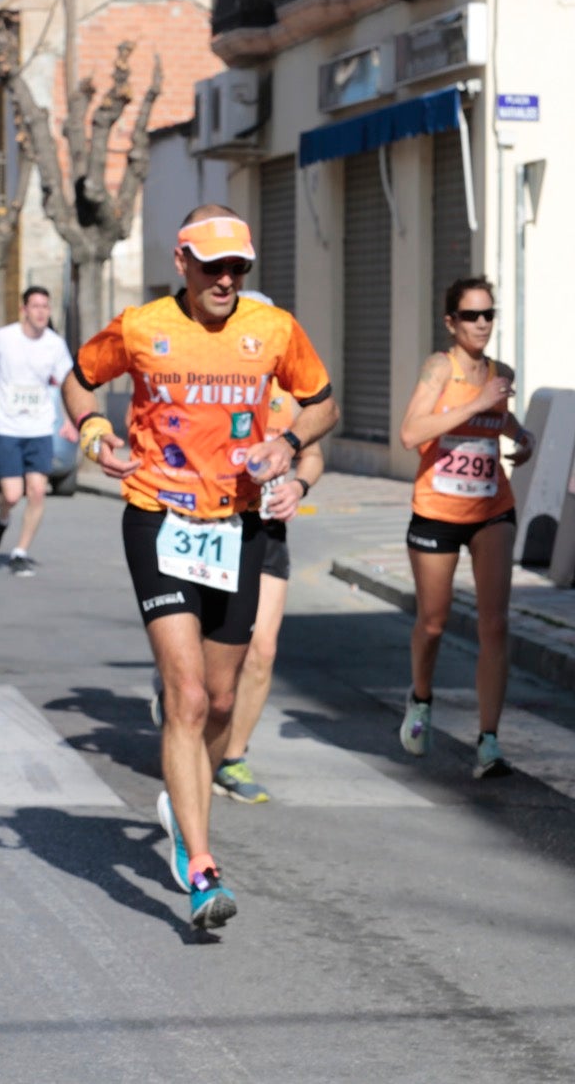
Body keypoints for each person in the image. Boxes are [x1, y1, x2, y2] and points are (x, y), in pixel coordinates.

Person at [63, 206, 337, 930]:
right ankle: (202, 862)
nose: (225, 278)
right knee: (184, 696)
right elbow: (79, 379)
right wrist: (94, 432)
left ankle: (189, 803)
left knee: (220, 701)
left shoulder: (274, 330)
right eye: (212, 265)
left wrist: (289, 442)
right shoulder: (142, 325)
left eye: (237, 267)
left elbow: (322, 403)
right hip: (157, 517)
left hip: (236, 526)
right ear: (181, 261)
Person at [396, 277, 536, 779]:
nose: (482, 325)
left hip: (491, 507)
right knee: (433, 623)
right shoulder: (441, 367)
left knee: (494, 623)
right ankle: (421, 698)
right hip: (437, 510)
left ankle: (489, 740)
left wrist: (520, 436)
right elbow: (412, 432)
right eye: (471, 316)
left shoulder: (501, 373)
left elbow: (498, 423)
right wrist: (477, 403)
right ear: (451, 322)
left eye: (489, 315)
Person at [213, 289, 325, 805]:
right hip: (208, 526)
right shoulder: (209, 382)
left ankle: (232, 758)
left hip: (267, 528)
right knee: (207, 648)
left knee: (263, 648)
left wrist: (298, 488)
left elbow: (313, 457)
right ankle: (178, 698)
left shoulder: (290, 391)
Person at [0, 285, 79, 577]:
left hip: (40, 427)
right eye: (35, 306)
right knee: (11, 494)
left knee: (36, 492)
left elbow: (66, 385)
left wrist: (70, 421)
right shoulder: (4, 338)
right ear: (23, 310)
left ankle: (19, 552)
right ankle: (2, 519)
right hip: (7, 426)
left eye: (45, 307)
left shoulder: (55, 345)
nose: (41, 312)